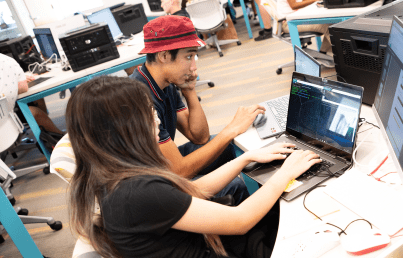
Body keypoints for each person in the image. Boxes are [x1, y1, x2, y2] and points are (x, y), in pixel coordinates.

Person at [67, 76, 321, 258]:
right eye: (148, 112)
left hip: (210, 243)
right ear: (124, 129)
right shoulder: (137, 191)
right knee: (308, 220)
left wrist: (244, 159)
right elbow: (241, 220)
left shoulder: (114, 177)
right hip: (222, 248)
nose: (157, 118)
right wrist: (286, 172)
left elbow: (191, 189)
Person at [129, 16, 264, 204]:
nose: (194, 67)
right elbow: (179, 171)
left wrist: (189, 90)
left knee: (233, 144)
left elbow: (199, 137)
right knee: (234, 186)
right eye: (188, 56)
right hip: (149, 185)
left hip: (165, 165)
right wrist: (231, 129)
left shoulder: (164, 82)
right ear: (164, 56)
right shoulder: (139, 99)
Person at [0, 53, 64, 136]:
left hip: (5, 109)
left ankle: (46, 133)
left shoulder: (6, 61)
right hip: (5, 116)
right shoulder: (7, 61)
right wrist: (15, 81)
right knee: (33, 112)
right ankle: (58, 137)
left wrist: (15, 79)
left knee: (37, 99)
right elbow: (23, 88)